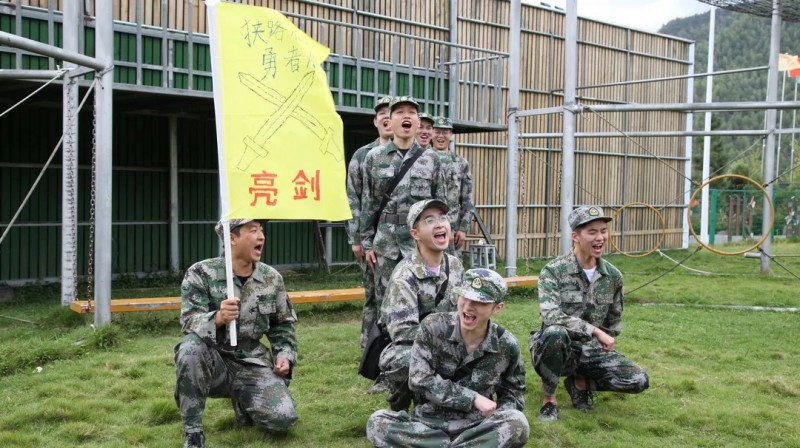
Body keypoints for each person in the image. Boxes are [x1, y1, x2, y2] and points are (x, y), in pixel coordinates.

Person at [367, 269, 529, 448]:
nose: (468, 307)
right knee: (377, 422)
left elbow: (513, 393)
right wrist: (472, 398)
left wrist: (498, 415)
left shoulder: (506, 344)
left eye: (479, 302)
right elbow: (419, 380)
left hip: (475, 427)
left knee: (517, 423)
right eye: (465, 297)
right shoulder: (433, 328)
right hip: (428, 426)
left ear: (497, 308)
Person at [175, 219, 298, 448]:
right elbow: (189, 321)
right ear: (232, 238)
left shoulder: (271, 278)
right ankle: (193, 433)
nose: (261, 236)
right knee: (190, 348)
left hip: (252, 361)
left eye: (261, 230)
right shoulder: (201, 273)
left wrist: (285, 355)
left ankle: (244, 401)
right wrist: (218, 318)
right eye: (253, 230)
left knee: (282, 419)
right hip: (213, 360)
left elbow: (282, 325)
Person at [530, 206, 649, 422]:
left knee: (639, 380)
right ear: (576, 236)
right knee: (555, 332)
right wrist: (594, 331)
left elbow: (613, 322)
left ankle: (580, 384)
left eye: (603, 231)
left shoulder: (613, 276)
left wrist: (599, 345)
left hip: (590, 351)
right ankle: (549, 400)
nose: (600, 237)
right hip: (555, 348)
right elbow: (551, 315)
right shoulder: (553, 271)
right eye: (592, 232)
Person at [360, 96, 445, 313]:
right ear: (390, 121)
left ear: (417, 122)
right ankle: (386, 337)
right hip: (385, 245)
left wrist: (441, 244)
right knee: (385, 304)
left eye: (411, 112)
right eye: (399, 112)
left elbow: (441, 206)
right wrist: (367, 244)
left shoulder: (431, 159)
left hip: (421, 244)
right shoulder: (374, 157)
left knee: (424, 301)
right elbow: (368, 203)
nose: (406, 116)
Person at [378, 199, 464, 411]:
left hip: (449, 341)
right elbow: (403, 333)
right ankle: (403, 399)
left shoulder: (455, 265)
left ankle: (457, 402)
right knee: (409, 360)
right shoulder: (404, 276)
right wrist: (447, 339)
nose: (440, 224)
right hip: (409, 347)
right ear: (415, 234)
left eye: (443, 218)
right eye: (429, 220)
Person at [347, 95, 393, 350]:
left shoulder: (409, 155)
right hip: (370, 239)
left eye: (390, 112)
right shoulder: (362, 155)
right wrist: (356, 238)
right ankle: (370, 347)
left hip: (399, 238)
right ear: (376, 121)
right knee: (373, 295)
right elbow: (353, 197)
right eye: (381, 113)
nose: (386, 117)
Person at [431, 116, 474, 255]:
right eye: (437, 131)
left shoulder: (460, 163)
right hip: (428, 228)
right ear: (431, 133)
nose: (441, 136)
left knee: (452, 266)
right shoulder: (422, 160)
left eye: (445, 132)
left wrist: (463, 228)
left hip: (452, 232)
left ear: (451, 134)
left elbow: (467, 198)